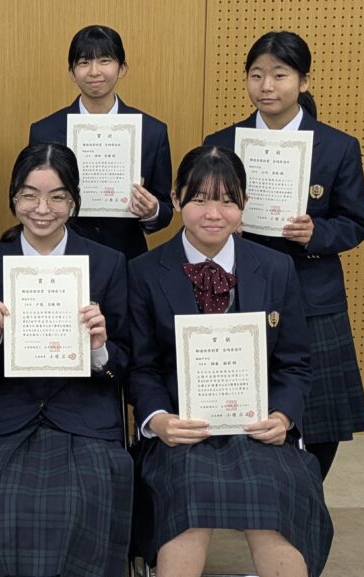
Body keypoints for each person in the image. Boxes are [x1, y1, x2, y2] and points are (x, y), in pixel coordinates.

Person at [129, 145, 332, 577]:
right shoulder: (143, 271)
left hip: (257, 428)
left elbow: (295, 362)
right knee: (188, 495)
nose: (213, 213)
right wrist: (159, 420)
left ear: (244, 203)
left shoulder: (276, 268)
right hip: (182, 430)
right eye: (200, 199)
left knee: (273, 493)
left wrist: (283, 416)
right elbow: (142, 366)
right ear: (176, 198)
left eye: (227, 201)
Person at [0, 143, 132, 577]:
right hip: (9, 416)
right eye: (29, 195)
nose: (42, 209)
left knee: (87, 496)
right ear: (13, 197)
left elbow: (124, 361)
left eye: (57, 197)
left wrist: (99, 347)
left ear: (74, 201)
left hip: (84, 417)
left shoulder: (107, 263)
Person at [204, 31, 364, 478]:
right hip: (239, 287)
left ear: (304, 81)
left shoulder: (337, 146)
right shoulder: (222, 143)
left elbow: (356, 222)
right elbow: (199, 215)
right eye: (256, 75)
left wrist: (317, 232)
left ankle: (307, 494)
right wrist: (219, 221)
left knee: (318, 417)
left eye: (280, 75)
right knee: (240, 402)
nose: (267, 86)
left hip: (311, 292)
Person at [29, 24, 172, 259]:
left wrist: (152, 210)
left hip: (126, 256)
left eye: (104, 61)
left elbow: (165, 208)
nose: (94, 71)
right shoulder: (44, 132)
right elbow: (33, 196)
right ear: (72, 72)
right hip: (62, 255)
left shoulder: (152, 131)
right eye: (84, 62)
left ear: (122, 68)